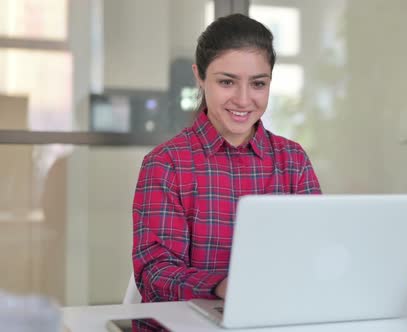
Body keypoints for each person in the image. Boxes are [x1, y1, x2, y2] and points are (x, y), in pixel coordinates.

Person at [132, 13, 322, 303]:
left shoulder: (292, 160)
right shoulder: (166, 163)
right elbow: (154, 274)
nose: (244, 100)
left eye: (258, 84)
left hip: (274, 315)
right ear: (200, 76)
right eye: (227, 82)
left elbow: (315, 250)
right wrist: (222, 287)